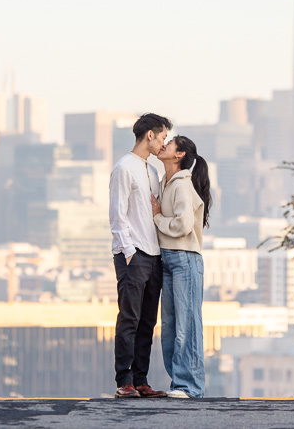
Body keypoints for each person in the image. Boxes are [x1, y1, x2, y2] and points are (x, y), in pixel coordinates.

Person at [109, 112, 173, 398]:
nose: (163, 142)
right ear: (150, 135)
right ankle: (124, 382)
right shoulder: (124, 168)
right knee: (129, 319)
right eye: (162, 137)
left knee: (148, 321)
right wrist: (129, 252)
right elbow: (117, 215)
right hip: (133, 255)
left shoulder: (152, 171)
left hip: (154, 254)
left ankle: (141, 380)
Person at [150, 134, 211, 399]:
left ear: (180, 155)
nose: (165, 144)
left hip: (185, 258)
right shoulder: (167, 183)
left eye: (171, 142)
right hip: (170, 260)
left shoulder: (182, 185)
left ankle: (190, 386)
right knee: (171, 327)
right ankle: (179, 382)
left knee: (187, 325)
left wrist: (157, 218)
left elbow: (183, 225)